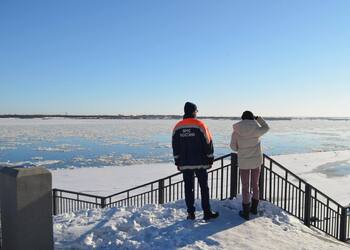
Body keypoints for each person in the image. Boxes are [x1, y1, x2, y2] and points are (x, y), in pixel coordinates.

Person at [172, 102, 219, 221]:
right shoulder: (200, 125)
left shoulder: (178, 126)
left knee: (188, 188)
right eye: (196, 111)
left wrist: (178, 161)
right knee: (204, 188)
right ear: (193, 112)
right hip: (201, 163)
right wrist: (210, 158)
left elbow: (175, 146)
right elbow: (208, 142)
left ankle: (191, 213)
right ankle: (207, 212)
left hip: (185, 163)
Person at [230, 111, 269, 220]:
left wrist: (241, 149)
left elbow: (233, 147)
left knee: (245, 186)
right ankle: (254, 209)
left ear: (242, 118)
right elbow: (266, 127)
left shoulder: (236, 131)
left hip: (243, 162)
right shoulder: (257, 130)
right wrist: (259, 119)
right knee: (255, 184)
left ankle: (246, 211)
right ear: (253, 118)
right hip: (256, 161)